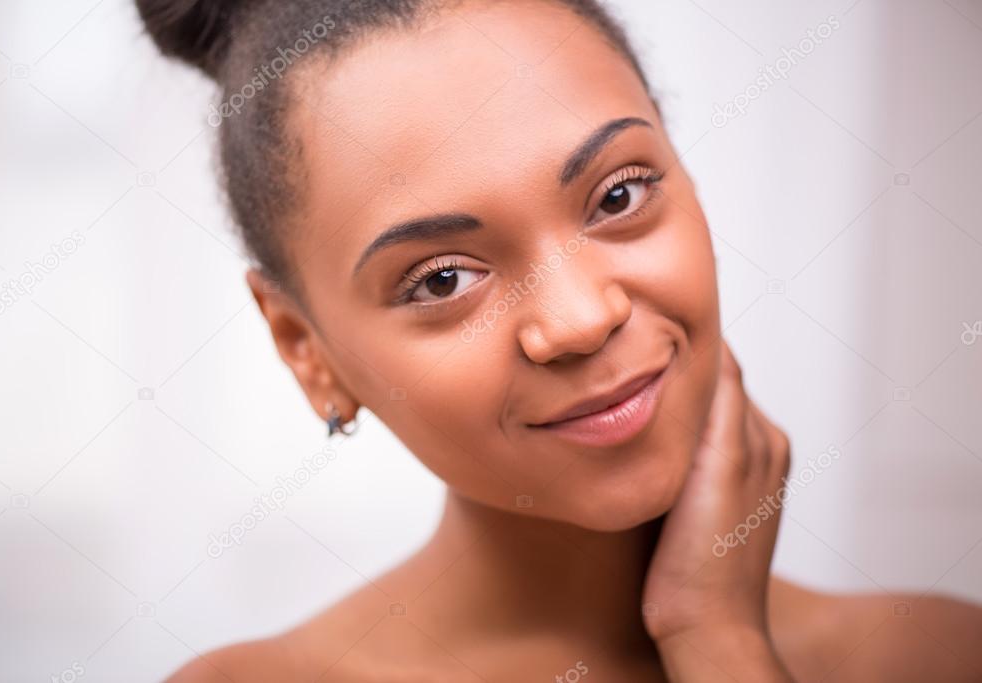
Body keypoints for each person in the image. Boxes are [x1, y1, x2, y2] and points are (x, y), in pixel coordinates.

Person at [135, 0, 982, 680]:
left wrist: (717, 641)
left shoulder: (938, 655)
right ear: (304, 347)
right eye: (441, 279)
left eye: (617, 195)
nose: (581, 319)